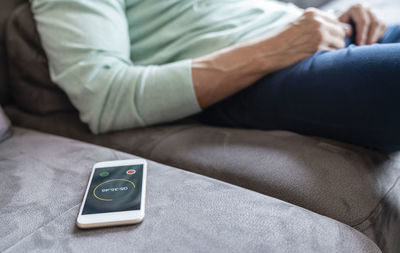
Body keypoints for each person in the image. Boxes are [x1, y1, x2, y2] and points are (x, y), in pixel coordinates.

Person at [31, 0, 399, 151]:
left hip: (326, 36)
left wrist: (331, 21)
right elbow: (105, 97)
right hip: (259, 73)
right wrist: (280, 47)